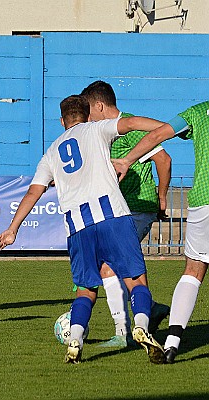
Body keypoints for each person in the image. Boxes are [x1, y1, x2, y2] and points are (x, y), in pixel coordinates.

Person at [0, 94, 165, 364]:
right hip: (112, 217)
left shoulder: (51, 153)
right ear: (87, 115)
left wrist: (13, 228)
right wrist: (165, 127)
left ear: (61, 121)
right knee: (136, 280)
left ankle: (75, 338)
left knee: (86, 289)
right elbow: (130, 123)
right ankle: (141, 326)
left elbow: (33, 191)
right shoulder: (97, 129)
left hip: (78, 227)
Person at [112, 100, 209, 364]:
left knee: (193, 270)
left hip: (204, 200)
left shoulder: (199, 112)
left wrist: (128, 159)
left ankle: (173, 343)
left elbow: (157, 135)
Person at [80, 81, 172, 347]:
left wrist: (162, 197)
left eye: (89, 110)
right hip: (119, 209)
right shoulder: (103, 132)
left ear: (99, 105)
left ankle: (123, 334)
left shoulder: (130, 127)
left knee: (108, 265)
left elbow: (164, 160)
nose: (87, 116)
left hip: (137, 208)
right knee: (117, 265)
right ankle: (151, 309)